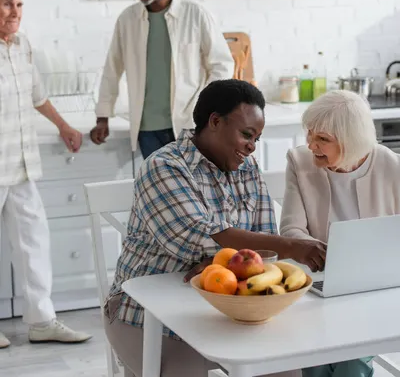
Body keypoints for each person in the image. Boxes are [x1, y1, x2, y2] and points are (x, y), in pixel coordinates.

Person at [103, 79, 326, 377]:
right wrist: (291, 246)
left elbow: (263, 256)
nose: (251, 146)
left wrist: (222, 261)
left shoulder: (247, 168)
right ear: (215, 121)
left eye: (257, 139)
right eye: (246, 134)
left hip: (227, 311)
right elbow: (196, 237)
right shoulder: (164, 166)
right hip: (146, 314)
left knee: (285, 371)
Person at [280, 89, 400, 377]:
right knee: (316, 354)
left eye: (322, 139)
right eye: (310, 134)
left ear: (351, 141)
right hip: (318, 278)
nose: (311, 145)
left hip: (374, 285)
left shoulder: (390, 165)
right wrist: (330, 255)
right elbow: (291, 229)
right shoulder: (300, 162)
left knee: (351, 358)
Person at [0, 0, 91, 348]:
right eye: (7, 4)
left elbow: (38, 96)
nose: (15, 12)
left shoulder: (22, 47)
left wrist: (64, 125)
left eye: (19, 4)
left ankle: (42, 320)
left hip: (20, 163)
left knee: (34, 241)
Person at [90, 0, 234, 161]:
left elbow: (222, 64)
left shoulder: (195, 13)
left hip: (190, 126)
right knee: (163, 192)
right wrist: (102, 117)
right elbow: (112, 69)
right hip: (147, 130)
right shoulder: (127, 20)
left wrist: (206, 107)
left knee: (196, 189)